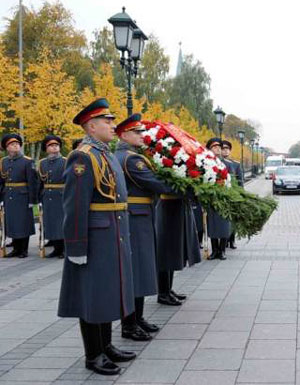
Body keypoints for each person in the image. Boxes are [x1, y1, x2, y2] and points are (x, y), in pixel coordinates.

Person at [57, 98, 136, 375]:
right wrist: (76, 246)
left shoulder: (106, 153)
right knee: (92, 295)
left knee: (108, 292)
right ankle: (93, 354)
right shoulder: (83, 156)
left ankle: (106, 345)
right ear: (91, 126)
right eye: (107, 121)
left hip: (112, 232)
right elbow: (75, 205)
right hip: (95, 235)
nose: (113, 125)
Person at [115, 114, 176, 341]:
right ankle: (129, 324)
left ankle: (136, 319)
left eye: (141, 131)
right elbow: (153, 183)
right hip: (136, 217)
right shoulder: (131, 159)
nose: (142, 135)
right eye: (136, 132)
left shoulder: (129, 156)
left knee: (139, 270)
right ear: (123, 135)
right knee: (136, 270)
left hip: (139, 216)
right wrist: (184, 186)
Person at [155, 133, 202, 304]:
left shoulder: (179, 160)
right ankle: (162, 292)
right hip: (167, 208)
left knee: (174, 251)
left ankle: (169, 288)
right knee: (165, 252)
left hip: (178, 207)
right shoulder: (160, 161)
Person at [0, 133, 37, 258]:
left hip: (22, 196)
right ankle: (16, 248)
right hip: (9, 195)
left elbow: (32, 182)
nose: (15, 146)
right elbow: (1, 181)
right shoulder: (3, 162)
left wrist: (32, 200)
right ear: (7, 147)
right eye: (12, 144)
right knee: (12, 222)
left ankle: (23, 250)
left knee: (23, 222)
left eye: (17, 144)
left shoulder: (27, 161)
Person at [37, 135, 67, 258]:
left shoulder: (66, 161)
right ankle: (56, 248)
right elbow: (40, 182)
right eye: (51, 146)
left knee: (61, 223)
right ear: (46, 148)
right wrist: (38, 198)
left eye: (56, 145)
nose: (54, 147)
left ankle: (64, 249)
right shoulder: (42, 163)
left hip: (61, 196)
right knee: (50, 223)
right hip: (47, 196)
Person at [206, 138, 231, 260]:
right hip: (211, 198)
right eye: (214, 147)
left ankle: (222, 250)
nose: (218, 149)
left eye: (219, 147)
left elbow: (233, 183)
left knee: (224, 225)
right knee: (212, 225)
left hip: (224, 198)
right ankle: (214, 250)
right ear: (209, 149)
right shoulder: (204, 163)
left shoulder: (228, 164)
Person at [221, 140, 243, 250]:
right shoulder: (216, 162)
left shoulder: (236, 164)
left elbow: (240, 181)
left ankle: (232, 240)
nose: (225, 150)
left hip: (233, 194)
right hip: (222, 194)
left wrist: (240, 194)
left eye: (227, 148)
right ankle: (223, 240)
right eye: (223, 148)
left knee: (232, 218)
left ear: (230, 151)